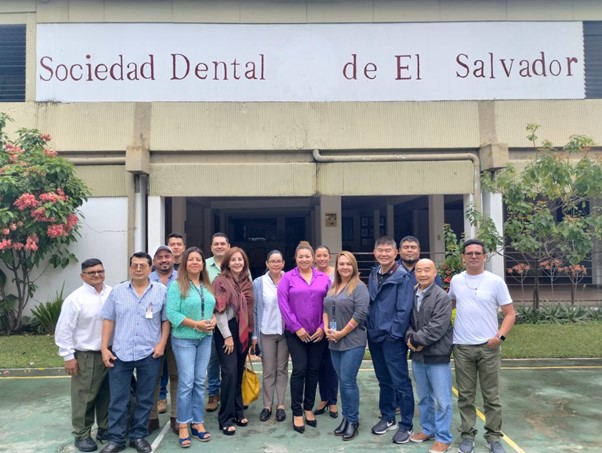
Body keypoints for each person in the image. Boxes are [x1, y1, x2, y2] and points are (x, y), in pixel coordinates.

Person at [99, 252, 170, 453]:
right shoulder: (118, 291)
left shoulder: (161, 291)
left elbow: (165, 320)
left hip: (149, 352)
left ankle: (138, 436)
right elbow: (108, 320)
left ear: (150, 268)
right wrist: (105, 348)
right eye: (135, 265)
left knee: (146, 397)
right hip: (120, 353)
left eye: (143, 265)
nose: (138, 269)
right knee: (118, 399)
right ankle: (116, 439)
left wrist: (162, 344)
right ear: (130, 268)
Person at [450, 239, 516, 453]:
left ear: (485, 257)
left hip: (488, 347)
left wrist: (500, 338)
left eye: (478, 253)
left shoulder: (496, 282)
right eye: (469, 253)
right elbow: (449, 304)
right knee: (466, 396)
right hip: (462, 347)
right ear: (463, 257)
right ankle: (467, 435)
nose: (474, 256)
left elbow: (510, 314)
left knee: (491, 396)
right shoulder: (456, 281)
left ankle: (493, 437)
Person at [55, 258, 112, 452]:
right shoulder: (75, 299)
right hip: (86, 355)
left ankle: (105, 428)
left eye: (100, 271)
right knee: (84, 397)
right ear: (82, 276)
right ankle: (82, 434)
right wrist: (68, 356)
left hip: (110, 353)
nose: (97, 275)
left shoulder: (111, 293)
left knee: (107, 394)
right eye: (91, 272)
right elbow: (64, 330)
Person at [166, 247, 217, 447]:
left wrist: (211, 320)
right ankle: (183, 424)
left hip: (205, 338)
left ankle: (198, 421)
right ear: (185, 263)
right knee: (186, 382)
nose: (195, 262)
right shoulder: (177, 285)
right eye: (191, 259)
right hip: (184, 339)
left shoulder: (206, 285)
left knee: (199, 381)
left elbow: (211, 308)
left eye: (199, 259)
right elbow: (172, 314)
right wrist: (196, 324)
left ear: (203, 264)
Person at [278, 241, 330, 434]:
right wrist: (296, 327)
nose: (304, 259)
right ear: (295, 258)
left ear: (313, 258)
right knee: (300, 369)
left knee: (314, 369)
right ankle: (297, 411)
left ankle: (309, 408)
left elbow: (330, 304)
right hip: (295, 334)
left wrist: (323, 327)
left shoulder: (323, 278)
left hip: (318, 333)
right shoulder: (287, 278)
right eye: (301, 256)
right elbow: (283, 305)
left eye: (308, 256)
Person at [366, 236, 415, 444]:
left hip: (392, 338)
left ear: (396, 254)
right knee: (384, 380)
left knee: (401, 382)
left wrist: (394, 334)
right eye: (380, 250)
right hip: (374, 335)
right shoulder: (374, 273)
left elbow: (404, 309)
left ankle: (406, 424)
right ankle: (388, 417)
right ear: (375, 252)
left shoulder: (402, 276)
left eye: (388, 250)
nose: (384, 254)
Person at [406, 259, 454, 453]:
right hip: (418, 357)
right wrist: (410, 338)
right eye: (419, 270)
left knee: (443, 401)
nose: (423, 274)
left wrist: (416, 341)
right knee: (424, 397)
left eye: (427, 270)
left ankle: (444, 437)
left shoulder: (442, 297)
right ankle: (428, 429)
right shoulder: (411, 294)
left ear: (435, 273)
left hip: (437, 355)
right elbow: (407, 321)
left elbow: (437, 327)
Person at [323, 252, 369, 442]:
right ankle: (346, 417)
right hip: (334, 341)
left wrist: (341, 333)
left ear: (354, 266)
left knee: (349, 381)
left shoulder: (359, 287)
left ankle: (353, 420)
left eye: (348, 264)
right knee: (342, 381)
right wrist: (326, 328)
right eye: (341, 264)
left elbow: (360, 314)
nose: (345, 267)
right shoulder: (334, 286)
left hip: (352, 341)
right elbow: (325, 309)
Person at [213, 247, 254, 435]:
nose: (237, 262)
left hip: (243, 331)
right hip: (226, 331)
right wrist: (228, 335)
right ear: (227, 262)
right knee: (229, 373)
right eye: (234, 260)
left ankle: (238, 411)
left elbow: (252, 308)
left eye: (241, 259)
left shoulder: (247, 282)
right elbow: (219, 311)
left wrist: (251, 334)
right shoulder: (220, 281)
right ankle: (226, 417)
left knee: (238, 372)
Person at [252, 250, 288, 423]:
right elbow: (254, 310)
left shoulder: (289, 280)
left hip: (285, 332)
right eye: (272, 261)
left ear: (283, 263)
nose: (276, 264)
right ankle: (267, 405)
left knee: (282, 369)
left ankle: (280, 405)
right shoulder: (259, 283)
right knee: (268, 370)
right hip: (266, 331)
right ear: (266, 263)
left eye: (279, 261)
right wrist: (254, 335)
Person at [148, 245, 179, 434]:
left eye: (167, 256)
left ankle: (176, 416)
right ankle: (151, 418)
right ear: (154, 261)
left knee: (177, 376)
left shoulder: (182, 278)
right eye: (160, 257)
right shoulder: (146, 279)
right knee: (153, 377)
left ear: (174, 259)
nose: (164, 260)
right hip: (152, 335)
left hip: (178, 335)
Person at [205, 232, 231, 412]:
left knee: (232, 361)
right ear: (211, 247)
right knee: (212, 359)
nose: (220, 246)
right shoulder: (203, 266)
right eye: (216, 244)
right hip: (209, 320)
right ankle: (213, 394)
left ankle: (231, 392)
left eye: (223, 243)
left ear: (228, 246)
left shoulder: (236, 262)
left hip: (233, 321)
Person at [313, 245, 339, 419]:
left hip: (333, 325)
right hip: (316, 325)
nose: (322, 258)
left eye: (325, 255)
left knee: (332, 365)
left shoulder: (336, 273)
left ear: (330, 256)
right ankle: (323, 398)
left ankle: (333, 400)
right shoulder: (311, 273)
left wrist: (332, 328)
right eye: (319, 255)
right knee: (320, 364)